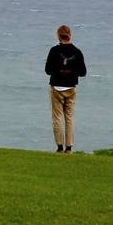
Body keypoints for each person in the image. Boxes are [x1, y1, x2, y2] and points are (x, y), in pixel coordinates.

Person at [45, 24, 87, 153]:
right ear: (70, 35)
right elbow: (83, 72)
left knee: (57, 118)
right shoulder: (77, 52)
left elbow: (48, 71)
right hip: (71, 88)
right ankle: (69, 147)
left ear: (58, 36)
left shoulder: (54, 51)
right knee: (69, 118)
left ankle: (59, 146)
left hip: (56, 87)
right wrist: (71, 71)